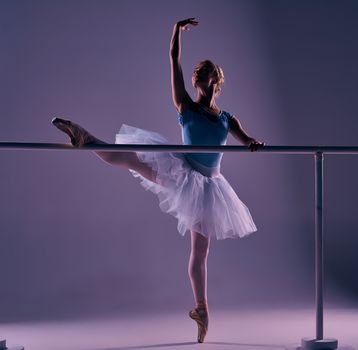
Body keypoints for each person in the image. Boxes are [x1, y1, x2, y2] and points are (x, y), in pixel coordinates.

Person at [51, 17, 264, 343]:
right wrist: (176, 32)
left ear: (217, 81)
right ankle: (86, 139)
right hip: (182, 173)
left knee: (200, 251)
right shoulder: (186, 108)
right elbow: (174, 60)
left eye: (210, 75)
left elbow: (246, 138)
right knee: (132, 160)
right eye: (201, 76)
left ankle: (202, 309)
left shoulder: (226, 118)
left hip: (210, 185)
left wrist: (253, 143)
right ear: (196, 81)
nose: (205, 80)